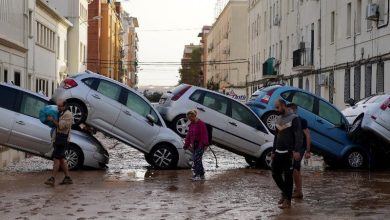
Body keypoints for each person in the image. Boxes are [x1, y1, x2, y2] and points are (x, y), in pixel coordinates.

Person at [271, 99, 303, 209]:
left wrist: (296, 150)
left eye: (278, 107)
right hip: (278, 152)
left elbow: (299, 136)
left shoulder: (294, 119)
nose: (276, 110)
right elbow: (276, 136)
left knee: (288, 177)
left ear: (284, 106)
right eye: (275, 108)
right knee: (275, 174)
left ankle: (287, 201)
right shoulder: (278, 119)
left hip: (289, 153)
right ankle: (285, 193)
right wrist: (273, 151)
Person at [44, 100, 73, 186]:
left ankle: (52, 179)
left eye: (60, 106)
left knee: (56, 159)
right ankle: (68, 178)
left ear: (65, 106)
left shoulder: (68, 114)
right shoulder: (61, 113)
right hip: (58, 139)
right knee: (61, 160)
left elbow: (61, 126)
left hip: (62, 140)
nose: (58, 108)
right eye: (58, 106)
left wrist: (52, 120)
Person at [287, 103, 311, 199]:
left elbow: (308, 135)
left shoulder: (301, 121)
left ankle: (299, 192)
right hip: (293, 147)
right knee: (295, 169)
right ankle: (297, 189)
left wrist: (308, 151)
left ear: (294, 110)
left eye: (289, 110)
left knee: (295, 168)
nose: (288, 112)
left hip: (300, 147)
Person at [184, 110, 209, 181]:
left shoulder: (201, 124)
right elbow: (188, 136)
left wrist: (205, 144)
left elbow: (205, 134)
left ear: (194, 116)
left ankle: (197, 175)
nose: (190, 119)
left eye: (191, 117)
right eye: (189, 118)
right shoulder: (191, 125)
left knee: (196, 160)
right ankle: (202, 175)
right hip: (194, 145)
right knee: (198, 160)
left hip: (201, 144)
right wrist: (186, 144)